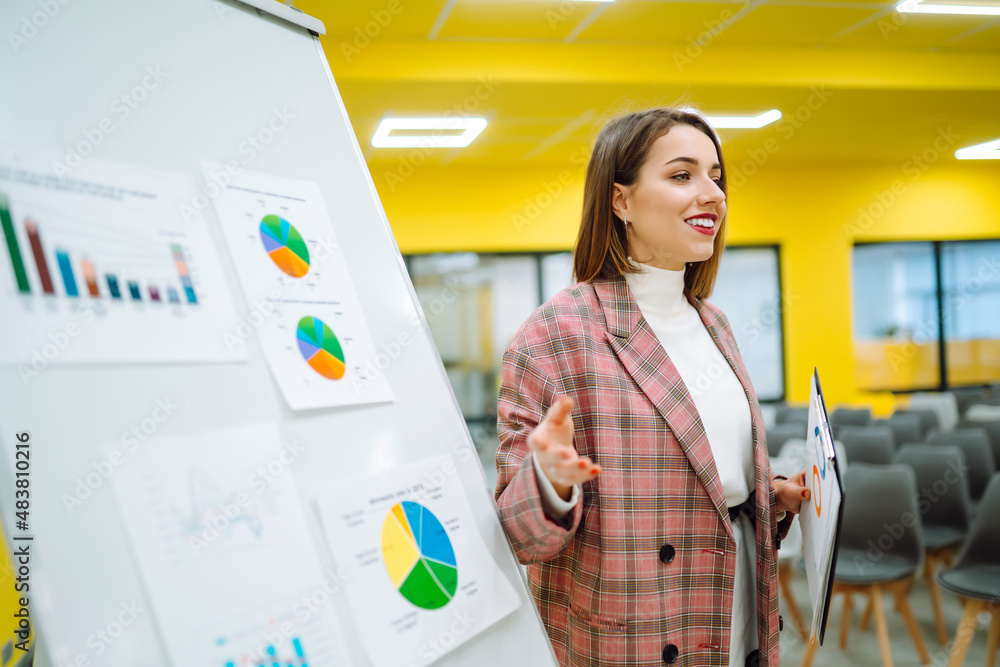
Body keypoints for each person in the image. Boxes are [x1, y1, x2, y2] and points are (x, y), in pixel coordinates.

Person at [494, 107, 810, 667]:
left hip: (734, 608)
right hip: (637, 628)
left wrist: (769, 493)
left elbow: (703, 475)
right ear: (620, 201)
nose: (712, 194)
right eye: (683, 175)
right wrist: (547, 482)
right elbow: (518, 539)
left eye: (716, 176)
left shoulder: (713, 322)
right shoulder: (556, 332)